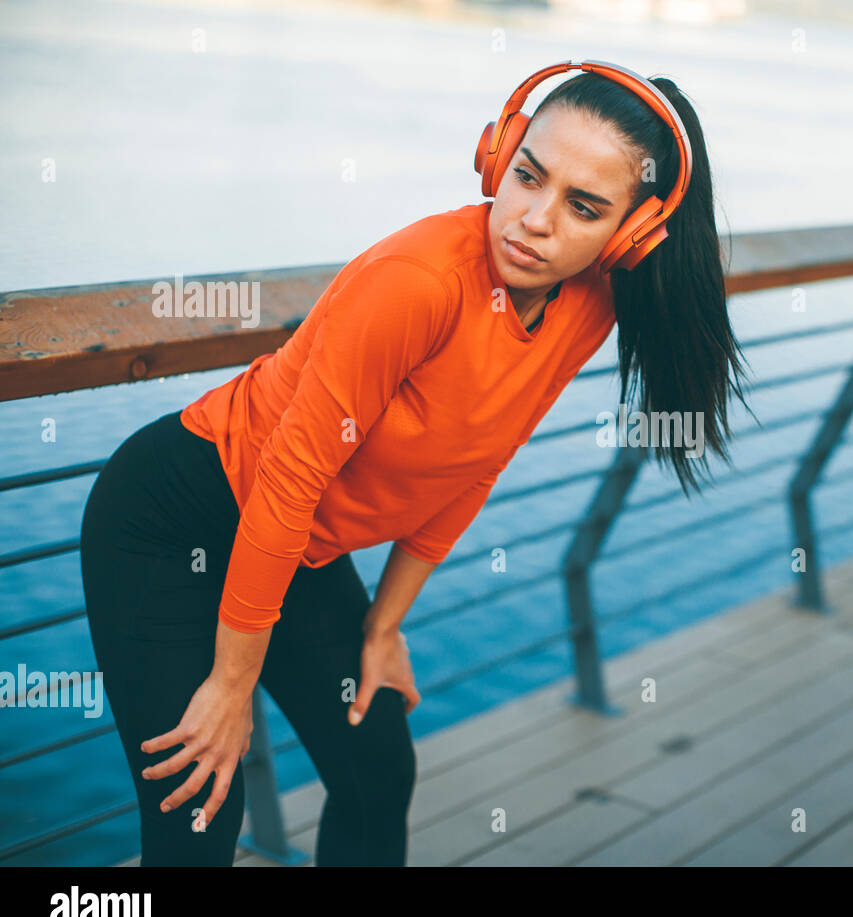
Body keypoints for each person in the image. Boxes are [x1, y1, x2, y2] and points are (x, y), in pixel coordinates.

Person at [79, 60, 754, 867]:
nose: (533, 220)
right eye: (528, 176)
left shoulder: (587, 305)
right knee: (198, 813)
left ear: (633, 233)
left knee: (377, 769)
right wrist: (231, 687)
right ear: (499, 156)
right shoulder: (416, 282)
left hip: (295, 545)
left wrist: (383, 625)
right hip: (171, 517)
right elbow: (288, 482)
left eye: (583, 208)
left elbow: (480, 460)